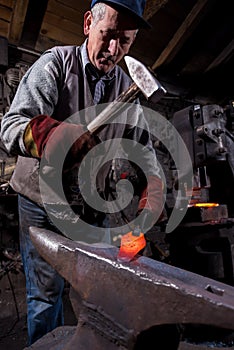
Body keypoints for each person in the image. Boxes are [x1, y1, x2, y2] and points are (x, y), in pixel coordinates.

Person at [0, 0, 164, 345]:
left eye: (126, 41)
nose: (114, 49)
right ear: (89, 22)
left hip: (91, 208)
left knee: (97, 291)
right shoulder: (55, 65)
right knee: (46, 297)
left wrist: (154, 187)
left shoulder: (127, 89)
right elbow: (11, 126)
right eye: (108, 35)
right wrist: (51, 134)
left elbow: (144, 151)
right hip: (42, 202)